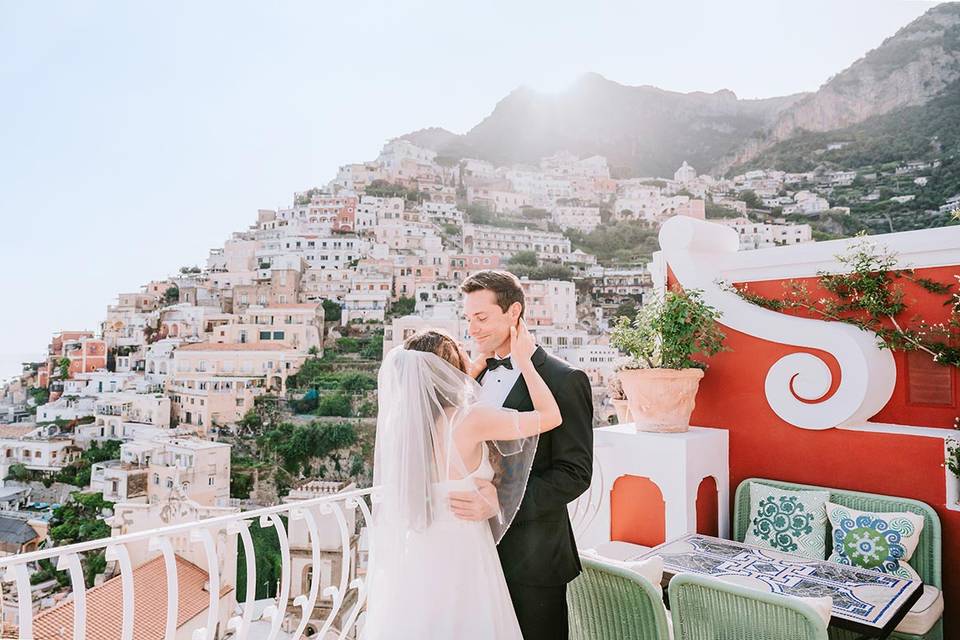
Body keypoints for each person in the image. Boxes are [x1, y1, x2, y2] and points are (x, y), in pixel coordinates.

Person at [362, 320, 563, 640]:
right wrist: (525, 362)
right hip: (463, 552)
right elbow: (551, 416)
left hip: (420, 552)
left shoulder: (403, 425)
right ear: (450, 369)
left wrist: (474, 366)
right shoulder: (472, 419)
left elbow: (436, 403)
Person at [451, 270, 594, 640]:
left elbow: (575, 473)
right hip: (475, 551)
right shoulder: (475, 376)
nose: (473, 329)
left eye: (481, 318)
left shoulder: (565, 379)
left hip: (534, 559)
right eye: (468, 319)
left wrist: (500, 502)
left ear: (513, 312)